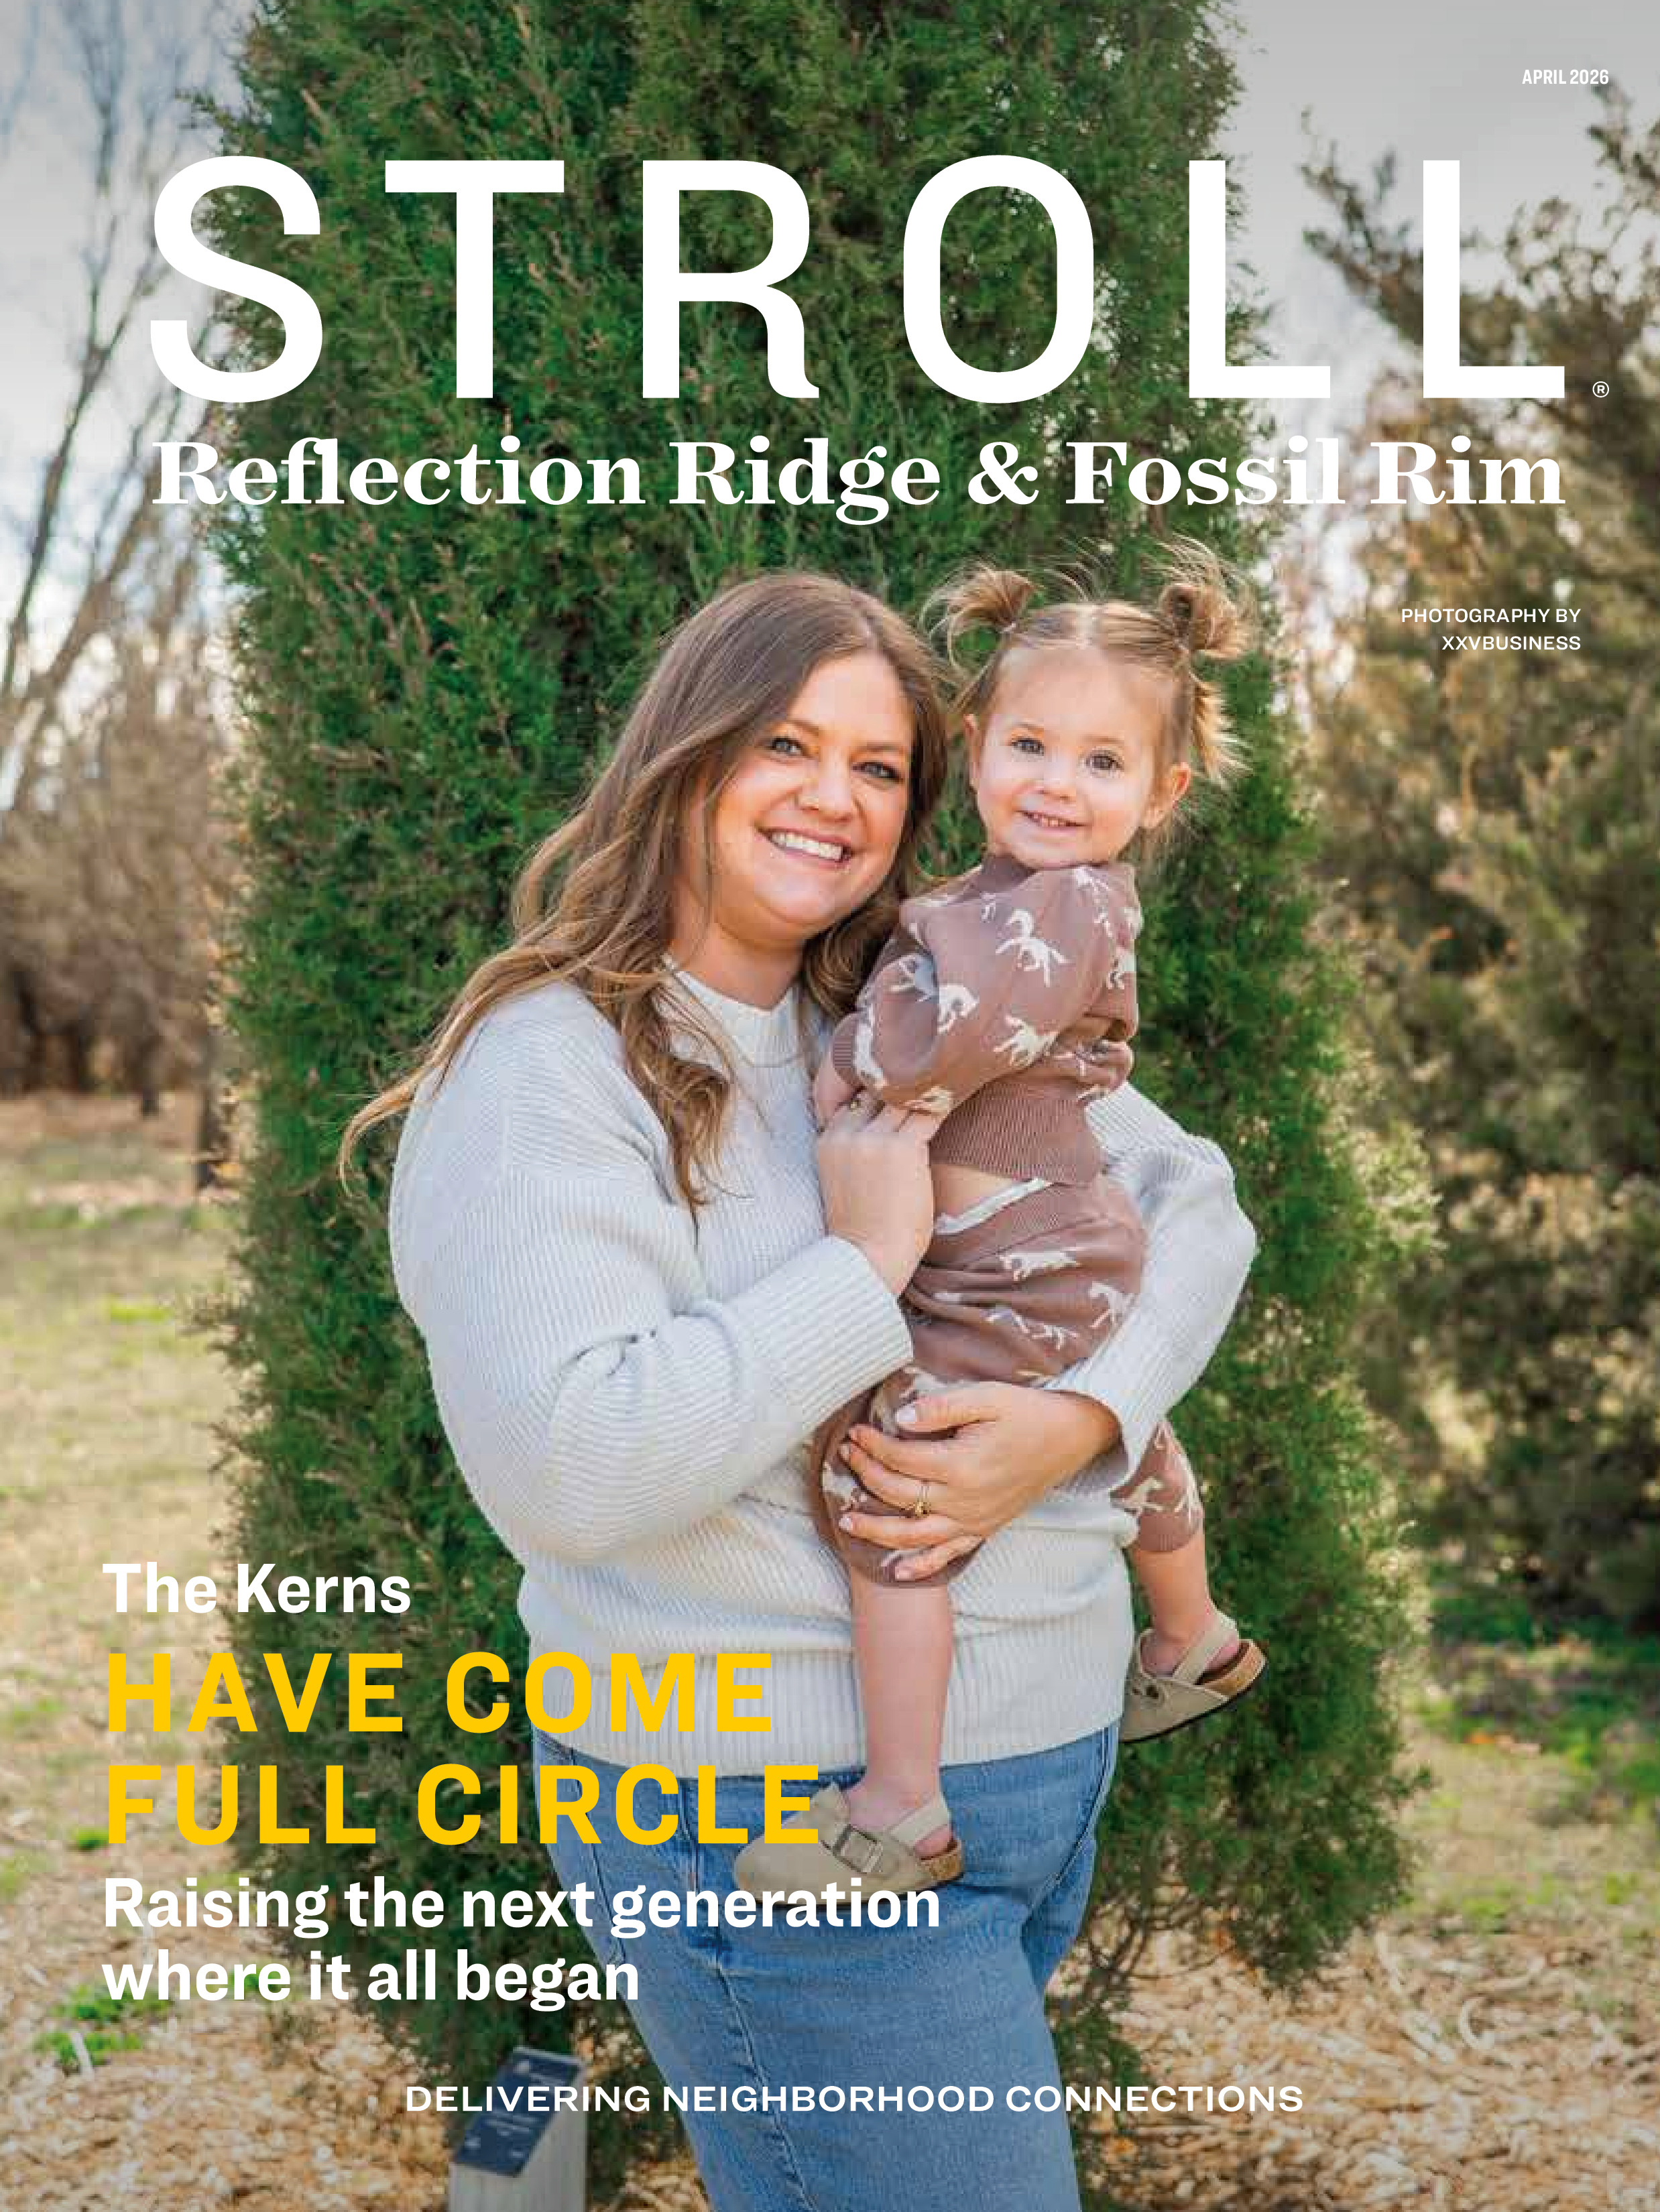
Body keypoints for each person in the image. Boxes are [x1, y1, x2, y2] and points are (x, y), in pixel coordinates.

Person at [345, 570, 1258, 2212]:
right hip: (773, 1821)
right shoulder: (553, 1065)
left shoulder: (898, 1016)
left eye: (880, 765)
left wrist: (1083, 1416)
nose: (833, 797)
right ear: (682, 757)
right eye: (784, 742)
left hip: (1035, 1778)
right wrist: (860, 1271)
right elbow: (573, 1466)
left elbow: (1196, 1209)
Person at [734, 550, 1265, 1906]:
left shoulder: (1066, 905)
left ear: (1162, 793)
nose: (1056, 783)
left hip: (1020, 1247)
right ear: (971, 752)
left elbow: (961, 1038)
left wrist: (854, 1076)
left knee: (887, 1492)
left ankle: (902, 1805)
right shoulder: (1003, 897)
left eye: (1102, 763)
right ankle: (1194, 1633)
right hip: (1045, 1242)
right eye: (1030, 743)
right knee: (1116, 1423)